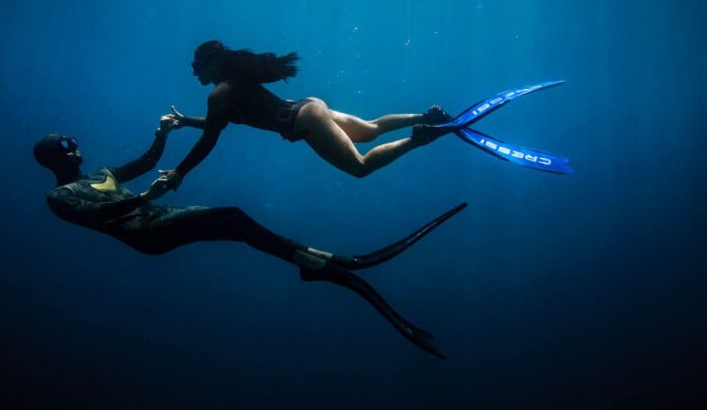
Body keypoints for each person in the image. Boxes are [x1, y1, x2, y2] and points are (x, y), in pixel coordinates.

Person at [33, 113, 468, 358]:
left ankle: (317, 262)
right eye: (65, 145)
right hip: (145, 233)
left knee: (235, 221)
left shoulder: (100, 174)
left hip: (158, 215)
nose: (75, 147)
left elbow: (146, 162)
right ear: (54, 157)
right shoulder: (61, 198)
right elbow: (106, 214)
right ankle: (317, 263)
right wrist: (148, 194)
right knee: (232, 217)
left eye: (72, 141)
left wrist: (161, 135)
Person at [154, 40, 453, 192]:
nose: (193, 71)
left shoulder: (218, 95)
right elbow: (214, 126)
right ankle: (426, 115)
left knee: (360, 168)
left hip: (304, 121)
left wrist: (180, 172)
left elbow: (209, 139)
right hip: (309, 105)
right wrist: (185, 121)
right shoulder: (232, 84)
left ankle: (420, 137)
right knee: (371, 129)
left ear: (211, 64)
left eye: (196, 64)